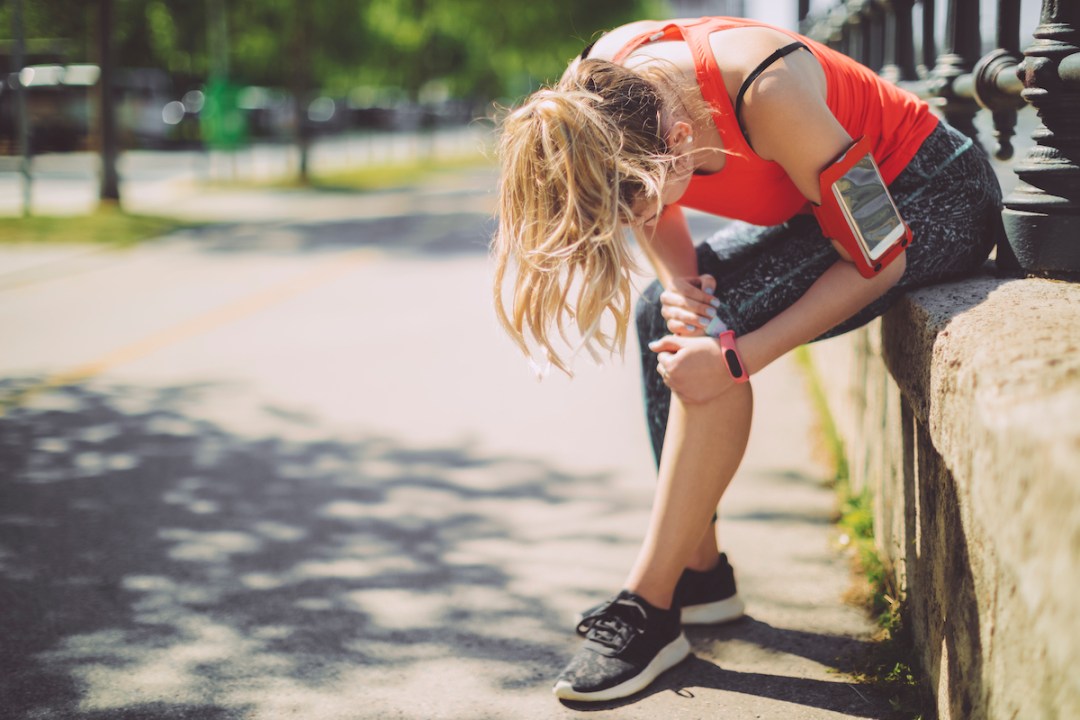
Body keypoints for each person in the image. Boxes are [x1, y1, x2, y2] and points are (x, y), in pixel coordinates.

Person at [491, 16, 1001, 703]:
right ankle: (698, 577)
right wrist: (680, 289)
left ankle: (650, 602)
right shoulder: (606, 84)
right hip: (829, 211)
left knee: (720, 333)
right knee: (660, 312)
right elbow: (652, 212)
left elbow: (881, 257)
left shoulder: (768, 90)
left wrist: (735, 361)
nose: (630, 223)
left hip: (932, 199)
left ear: (677, 140)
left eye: (635, 202)